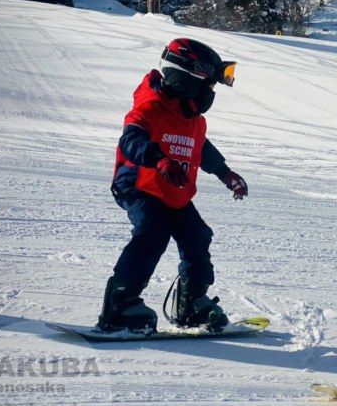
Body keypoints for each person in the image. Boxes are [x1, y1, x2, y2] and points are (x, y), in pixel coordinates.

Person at [98, 38, 248, 333]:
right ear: (185, 80)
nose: (210, 94)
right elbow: (130, 140)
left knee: (197, 237)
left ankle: (191, 303)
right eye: (208, 86)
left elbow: (200, 148)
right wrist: (160, 160)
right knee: (152, 232)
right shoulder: (150, 107)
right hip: (140, 184)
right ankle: (120, 305)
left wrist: (226, 174)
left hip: (173, 192)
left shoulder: (192, 117)